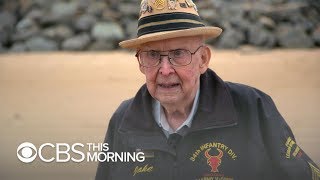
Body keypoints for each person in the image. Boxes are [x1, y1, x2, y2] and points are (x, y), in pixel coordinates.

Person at [95, 0, 319, 179]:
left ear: (203, 59)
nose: (165, 70)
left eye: (178, 54)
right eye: (152, 55)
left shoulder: (253, 107)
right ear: (140, 63)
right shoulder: (124, 120)